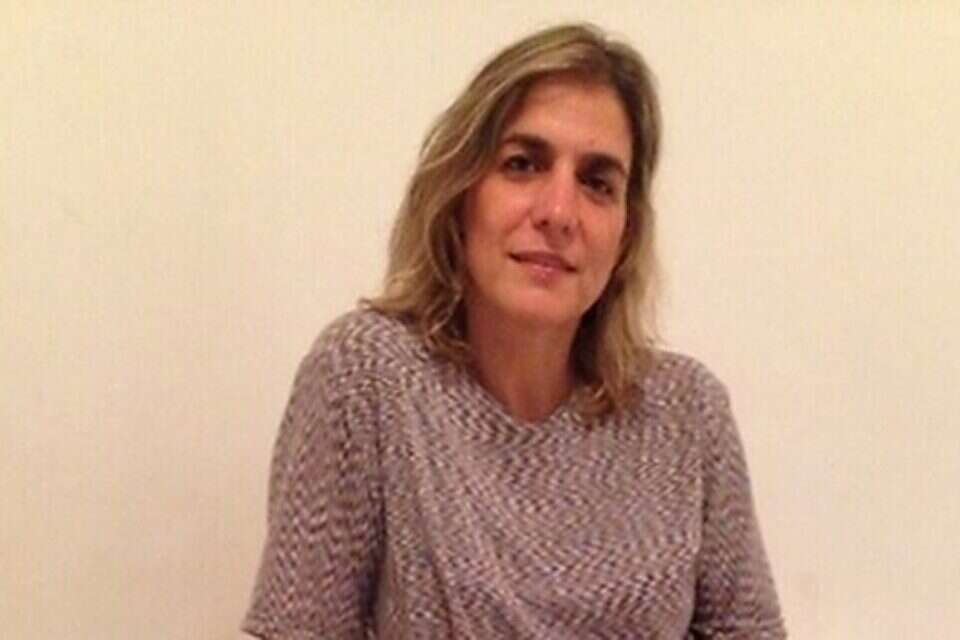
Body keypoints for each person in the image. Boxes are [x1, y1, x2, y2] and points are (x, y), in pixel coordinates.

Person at [242, 22, 786, 639]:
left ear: (626, 230)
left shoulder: (687, 412)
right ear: (460, 192)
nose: (558, 213)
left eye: (597, 183)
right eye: (522, 164)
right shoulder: (367, 377)